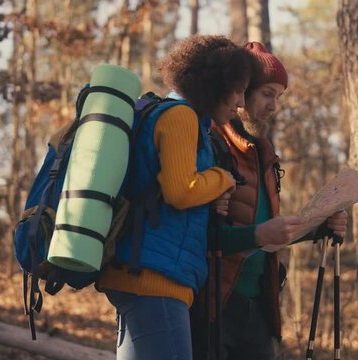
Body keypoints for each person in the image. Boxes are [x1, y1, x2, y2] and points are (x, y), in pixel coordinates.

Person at [96, 35, 258, 360]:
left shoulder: (171, 114)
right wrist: (222, 178)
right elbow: (181, 191)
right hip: (156, 278)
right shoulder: (181, 117)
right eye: (238, 89)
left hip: (143, 272)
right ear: (214, 84)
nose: (241, 101)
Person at [192, 41, 347, 360]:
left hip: (259, 307)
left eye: (278, 97)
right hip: (214, 305)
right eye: (267, 94)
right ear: (241, 90)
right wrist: (259, 235)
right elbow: (200, 236)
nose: (274, 106)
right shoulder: (212, 145)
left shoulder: (264, 156)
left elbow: (269, 233)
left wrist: (320, 228)